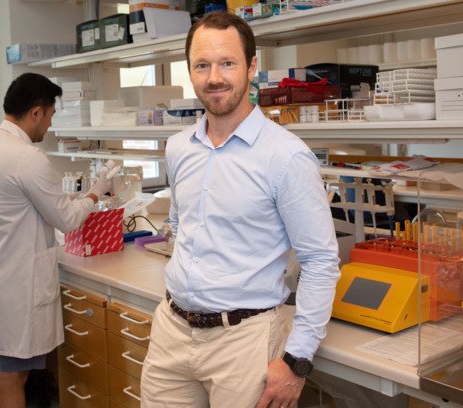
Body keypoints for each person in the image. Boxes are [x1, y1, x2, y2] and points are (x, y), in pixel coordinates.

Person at [140, 12, 340, 408]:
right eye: (202, 65)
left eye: (227, 63)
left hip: (244, 342)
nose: (214, 77)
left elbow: (320, 261)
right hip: (171, 331)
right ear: (191, 71)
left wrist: (296, 360)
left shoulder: (286, 157)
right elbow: (181, 224)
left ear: (251, 66)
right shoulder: (179, 148)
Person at [0, 72, 111, 408]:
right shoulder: (27, 158)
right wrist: (95, 192)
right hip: (15, 289)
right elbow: (68, 219)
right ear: (35, 112)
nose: (48, 125)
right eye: (49, 116)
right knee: (13, 377)